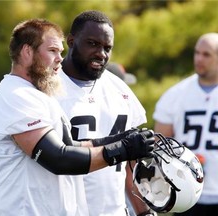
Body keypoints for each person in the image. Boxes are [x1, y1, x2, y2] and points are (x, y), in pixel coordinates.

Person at [0, 18, 155, 216]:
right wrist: (122, 149)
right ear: (27, 52)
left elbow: (72, 146)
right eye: (53, 51)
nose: (60, 58)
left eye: (61, 52)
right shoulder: (14, 95)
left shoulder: (35, 94)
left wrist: (121, 140)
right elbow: (58, 158)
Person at [56, 11, 156, 216]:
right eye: (92, 43)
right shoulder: (45, 88)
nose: (101, 53)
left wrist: (144, 212)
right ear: (71, 41)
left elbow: (130, 165)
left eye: (107, 47)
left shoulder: (120, 89)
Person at [153, 32, 218, 216]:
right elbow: (161, 145)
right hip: (188, 193)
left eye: (206, 54)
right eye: (197, 53)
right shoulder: (175, 95)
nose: (199, 58)